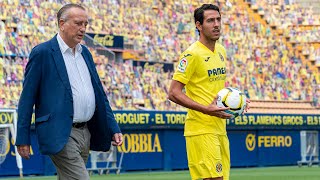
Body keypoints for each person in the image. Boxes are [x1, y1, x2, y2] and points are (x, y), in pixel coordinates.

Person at [15, 4, 123, 180]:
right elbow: (27, 99)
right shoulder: (42, 53)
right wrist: (22, 137)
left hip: (85, 132)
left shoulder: (85, 53)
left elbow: (99, 95)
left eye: (86, 24)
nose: (83, 29)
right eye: (78, 23)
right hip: (60, 133)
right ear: (62, 23)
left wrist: (113, 126)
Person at [168, 4, 249, 180]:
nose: (216, 24)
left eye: (218, 19)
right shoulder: (191, 54)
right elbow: (173, 92)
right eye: (210, 20)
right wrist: (205, 109)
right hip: (201, 129)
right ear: (198, 25)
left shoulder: (221, 51)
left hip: (220, 129)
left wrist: (237, 103)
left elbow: (216, 91)